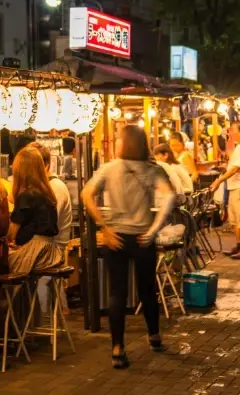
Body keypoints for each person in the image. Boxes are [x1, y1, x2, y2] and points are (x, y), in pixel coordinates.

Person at [81, 125, 175, 369]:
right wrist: (154, 229)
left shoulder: (109, 168)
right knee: (147, 289)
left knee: (117, 293)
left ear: (124, 143)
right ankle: (154, 335)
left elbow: (86, 194)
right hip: (143, 238)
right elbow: (170, 197)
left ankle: (117, 348)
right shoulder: (152, 169)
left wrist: (103, 226)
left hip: (116, 237)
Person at [27, 142, 73, 313]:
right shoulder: (43, 187)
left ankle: (40, 318)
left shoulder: (55, 188)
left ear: (45, 165)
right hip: (44, 247)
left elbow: (46, 226)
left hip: (52, 249)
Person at [7, 147, 63, 276]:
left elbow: (11, 234)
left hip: (35, 254)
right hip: (50, 251)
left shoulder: (25, 196)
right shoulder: (47, 194)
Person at [210, 122, 240, 260]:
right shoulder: (239, 147)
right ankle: (239, 245)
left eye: (233, 130)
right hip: (234, 186)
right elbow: (232, 167)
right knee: (235, 219)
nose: (230, 133)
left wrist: (219, 180)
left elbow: (235, 168)